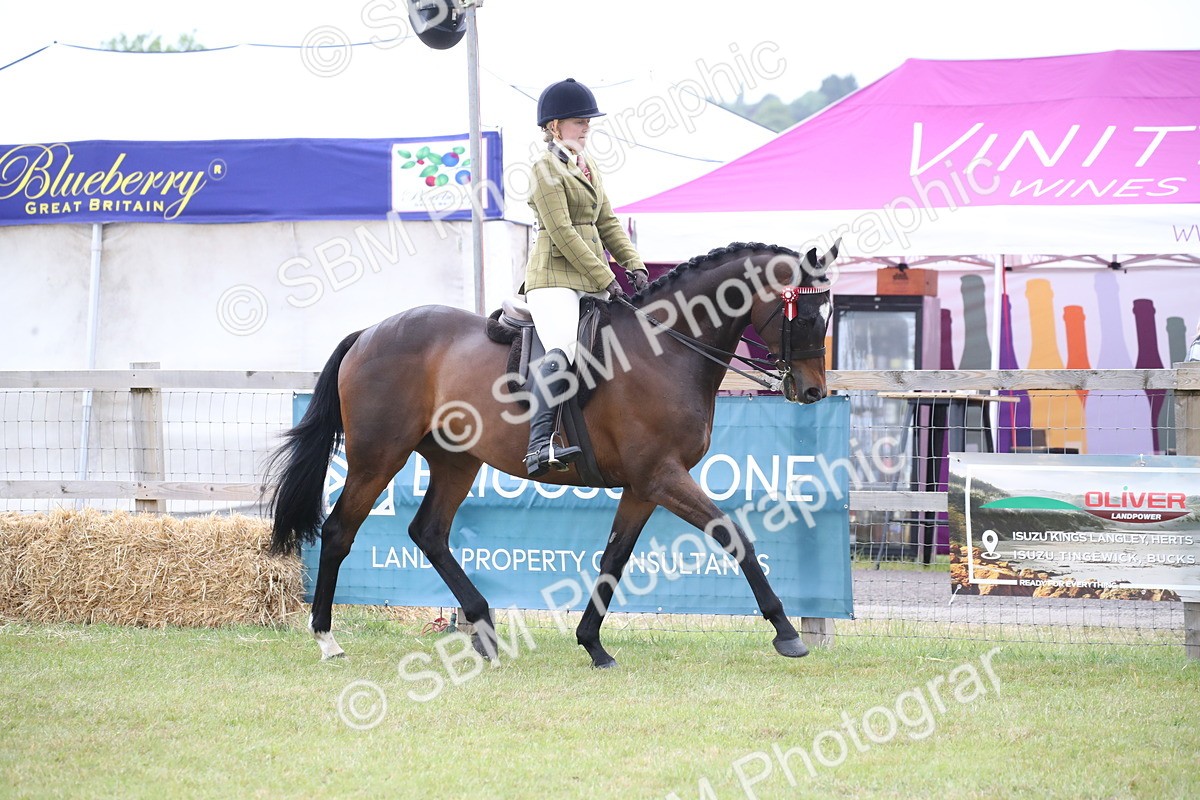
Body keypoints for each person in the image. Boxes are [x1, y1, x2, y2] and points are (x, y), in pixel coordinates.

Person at [521, 77, 650, 478]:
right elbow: (562, 232)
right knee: (563, 347)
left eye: (588, 121)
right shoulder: (543, 169)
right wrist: (606, 275)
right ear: (555, 126)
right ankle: (539, 446)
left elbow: (606, 222)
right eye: (580, 121)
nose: (587, 127)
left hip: (591, 278)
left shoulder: (587, 165)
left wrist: (634, 264)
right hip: (553, 278)